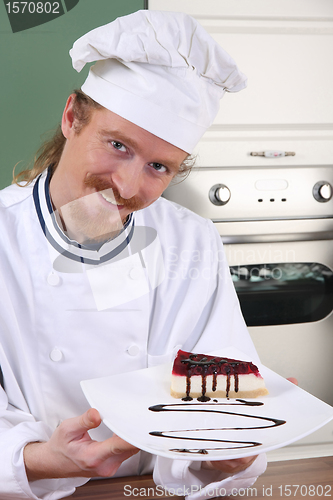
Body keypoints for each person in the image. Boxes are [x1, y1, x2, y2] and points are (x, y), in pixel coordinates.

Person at [0, 10, 267, 499]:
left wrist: (228, 449)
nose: (127, 186)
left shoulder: (191, 242)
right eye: (118, 144)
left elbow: (218, 398)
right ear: (70, 118)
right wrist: (40, 459)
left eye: (158, 166)